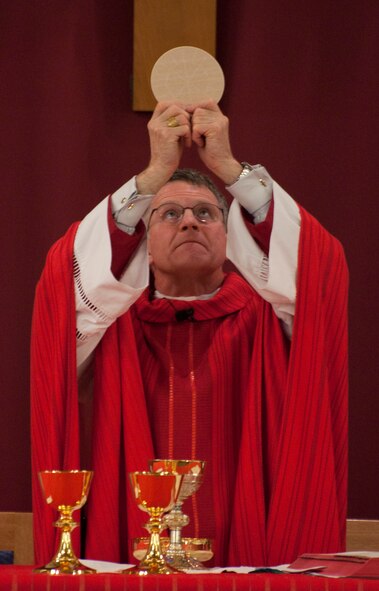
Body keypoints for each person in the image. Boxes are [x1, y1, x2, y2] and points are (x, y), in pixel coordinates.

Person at [31, 100, 348, 567]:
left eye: (205, 213)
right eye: (168, 213)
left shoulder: (276, 316)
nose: (189, 221)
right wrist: (154, 173)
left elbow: (320, 267)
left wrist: (230, 169)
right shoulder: (107, 321)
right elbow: (64, 286)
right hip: (126, 548)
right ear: (145, 242)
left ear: (229, 236)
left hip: (255, 543)